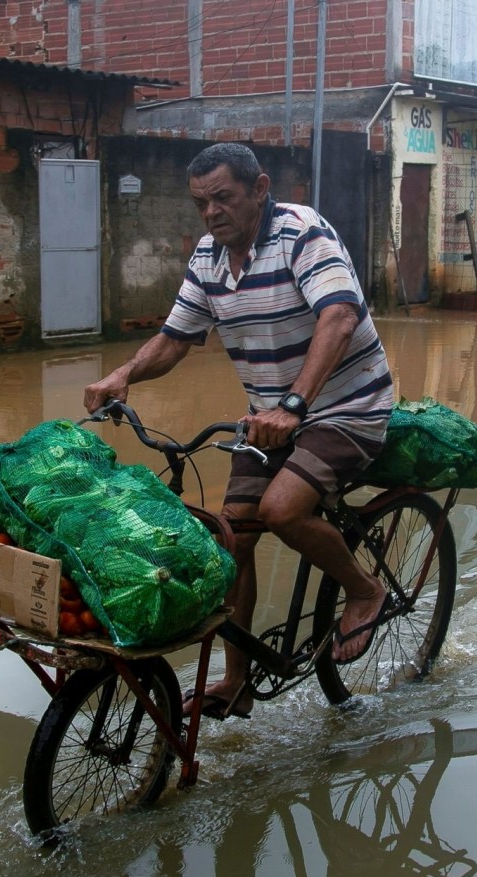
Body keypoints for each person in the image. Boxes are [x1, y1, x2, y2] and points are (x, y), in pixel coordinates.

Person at [83, 142, 394, 720]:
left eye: (222, 198)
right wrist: (124, 374)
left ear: (259, 188)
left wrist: (296, 404)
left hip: (347, 409)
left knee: (280, 511)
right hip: (268, 420)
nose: (211, 213)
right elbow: (176, 339)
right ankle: (237, 679)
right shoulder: (208, 258)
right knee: (230, 542)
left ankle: (363, 587)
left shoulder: (303, 233)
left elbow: (340, 316)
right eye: (201, 203)